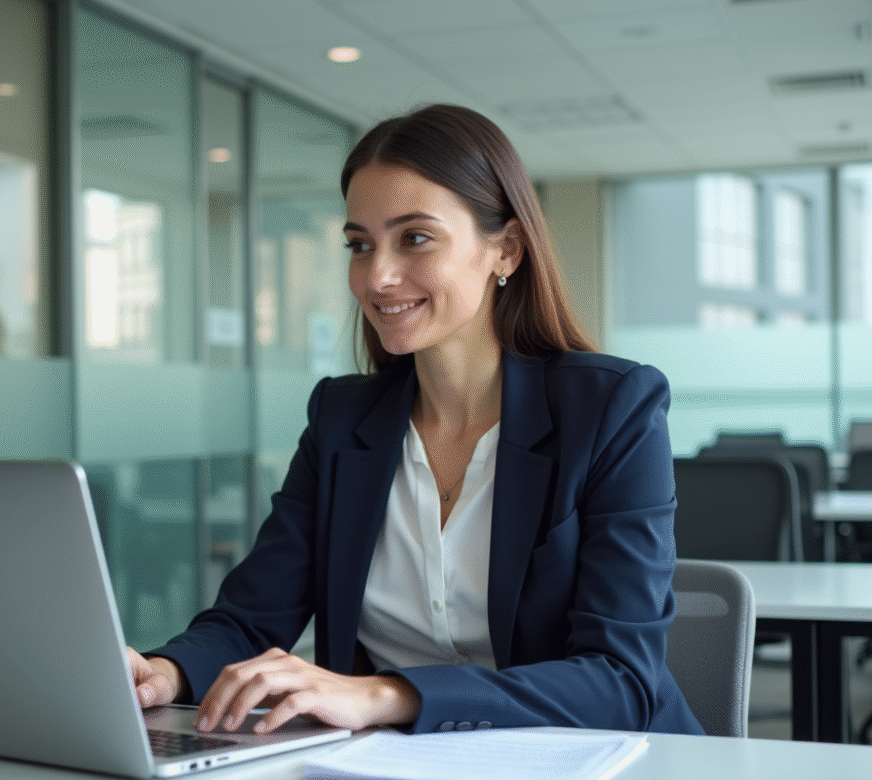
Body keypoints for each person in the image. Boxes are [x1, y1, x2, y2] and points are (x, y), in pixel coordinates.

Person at [126, 103, 704, 737]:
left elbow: (619, 682)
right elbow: (252, 617)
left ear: (505, 249)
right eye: (359, 244)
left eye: (415, 237)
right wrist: (165, 672)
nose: (378, 276)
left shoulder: (612, 409)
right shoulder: (342, 419)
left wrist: (387, 695)